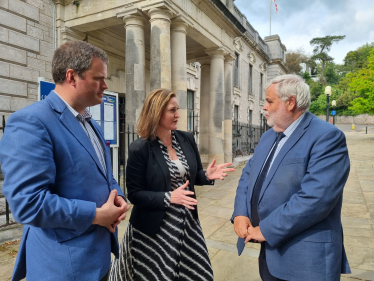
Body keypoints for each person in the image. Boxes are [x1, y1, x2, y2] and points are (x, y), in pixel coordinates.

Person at [0, 41, 130, 281]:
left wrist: (117, 194)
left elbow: (105, 175)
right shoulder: (31, 122)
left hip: (98, 257)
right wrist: (96, 215)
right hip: (64, 267)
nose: (106, 85)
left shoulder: (92, 123)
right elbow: (28, 203)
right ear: (72, 76)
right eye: (99, 78)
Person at [232, 74, 351, 281]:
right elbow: (248, 174)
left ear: (291, 102)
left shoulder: (327, 137)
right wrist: (241, 213)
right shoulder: (269, 135)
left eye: (269, 101)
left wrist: (266, 229)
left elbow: (316, 199)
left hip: (305, 261)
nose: (264, 107)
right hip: (269, 256)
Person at [109, 89, 235, 281]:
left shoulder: (186, 139)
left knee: (198, 273)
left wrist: (206, 176)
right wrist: (168, 197)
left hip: (187, 223)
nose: (178, 114)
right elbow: (134, 194)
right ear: (156, 112)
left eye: (178, 109)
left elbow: (190, 177)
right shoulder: (140, 148)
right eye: (172, 110)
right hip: (154, 229)